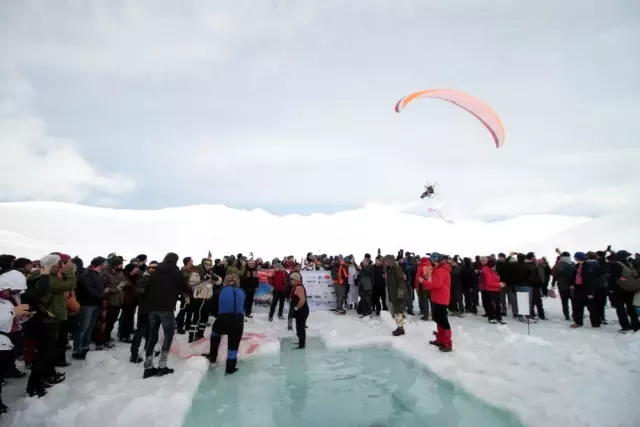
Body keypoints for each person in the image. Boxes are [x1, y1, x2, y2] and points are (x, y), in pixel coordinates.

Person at [142, 252, 193, 379]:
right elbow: (188, 289)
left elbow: (146, 289)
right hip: (166, 309)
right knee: (168, 335)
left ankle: (148, 368)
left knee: (152, 336)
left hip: (152, 308)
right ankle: (162, 366)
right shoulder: (176, 273)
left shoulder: (154, 272)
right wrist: (181, 293)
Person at [203, 274, 245, 374]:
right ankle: (230, 368)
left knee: (215, 332)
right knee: (233, 345)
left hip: (223, 319)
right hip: (238, 321)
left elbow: (212, 306)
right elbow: (244, 307)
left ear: (226, 282)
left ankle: (213, 356)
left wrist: (216, 314)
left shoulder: (220, 291)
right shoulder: (242, 291)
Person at [72, 256, 107, 360]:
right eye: (104, 263)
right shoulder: (86, 275)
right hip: (86, 304)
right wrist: (103, 295)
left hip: (95, 304)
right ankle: (77, 349)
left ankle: (85, 346)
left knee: (90, 327)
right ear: (99, 264)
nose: (106, 265)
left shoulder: (98, 275)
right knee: (83, 327)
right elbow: (90, 290)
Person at [423, 253, 453, 352]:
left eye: (433, 261)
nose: (432, 263)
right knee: (439, 319)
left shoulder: (441, 270)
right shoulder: (439, 269)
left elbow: (436, 284)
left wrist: (424, 282)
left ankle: (447, 343)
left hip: (441, 298)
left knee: (443, 321)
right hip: (437, 298)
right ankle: (440, 340)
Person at [384, 255, 407, 336]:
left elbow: (401, 281)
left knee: (399, 312)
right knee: (397, 312)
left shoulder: (396, 268)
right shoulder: (390, 269)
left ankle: (400, 329)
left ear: (390, 261)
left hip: (398, 294)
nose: (385, 263)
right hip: (394, 294)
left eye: (386, 261)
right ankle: (400, 327)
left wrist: (400, 294)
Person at [482, 259, 506, 324]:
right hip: (490, 290)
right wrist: (499, 284)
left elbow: (495, 279)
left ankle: (498, 317)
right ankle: (491, 317)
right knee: (491, 305)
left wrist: (500, 283)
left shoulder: (493, 270)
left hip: (496, 289)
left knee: (498, 305)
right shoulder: (486, 270)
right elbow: (488, 282)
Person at [290, 272, 309, 349]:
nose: (290, 281)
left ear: (295, 280)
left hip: (302, 310)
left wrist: (296, 308)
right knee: (298, 327)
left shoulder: (299, 287)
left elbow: (302, 301)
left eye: (291, 279)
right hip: (300, 310)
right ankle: (301, 341)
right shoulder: (296, 286)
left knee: (301, 328)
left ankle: (302, 344)